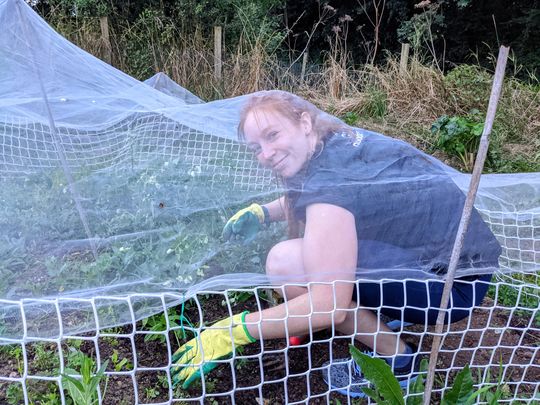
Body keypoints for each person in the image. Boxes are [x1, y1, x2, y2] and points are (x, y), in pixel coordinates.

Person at [170, 90, 501, 397]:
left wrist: (235, 330)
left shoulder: (330, 185)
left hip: (448, 289)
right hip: (460, 266)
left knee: (287, 264)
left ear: (303, 123)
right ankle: (384, 313)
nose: (266, 154)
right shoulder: (335, 142)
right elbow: (347, 197)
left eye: (272, 135)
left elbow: (329, 302)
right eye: (257, 147)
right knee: (312, 256)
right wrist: (264, 212)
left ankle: (397, 360)